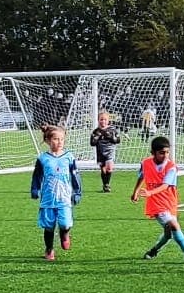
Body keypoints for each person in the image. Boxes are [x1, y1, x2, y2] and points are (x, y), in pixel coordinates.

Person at [131, 135, 184, 264]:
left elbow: (165, 186)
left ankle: (154, 250)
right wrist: (136, 192)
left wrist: (149, 192)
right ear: (153, 153)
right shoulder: (145, 163)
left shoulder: (171, 167)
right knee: (174, 225)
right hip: (156, 204)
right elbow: (141, 176)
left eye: (167, 152)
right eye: (161, 153)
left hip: (170, 202)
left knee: (169, 234)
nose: (165, 155)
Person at [31, 125, 80, 261]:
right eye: (55, 139)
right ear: (47, 140)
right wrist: (35, 189)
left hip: (64, 198)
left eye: (62, 139)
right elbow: (37, 176)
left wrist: (77, 192)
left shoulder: (69, 157)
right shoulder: (43, 158)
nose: (59, 142)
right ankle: (49, 249)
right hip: (48, 198)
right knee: (49, 226)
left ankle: (64, 234)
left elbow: (75, 175)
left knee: (65, 223)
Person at [90, 110, 121, 193]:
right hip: (100, 152)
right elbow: (92, 143)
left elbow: (118, 140)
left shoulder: (112, 130)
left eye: (105, 119)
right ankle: (105, 185)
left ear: (108, 121)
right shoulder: (95, 131)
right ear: (98, 120)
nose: (103, 121)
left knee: (109, 168)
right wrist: (97, 138)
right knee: (103, 169)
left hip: (110, 151)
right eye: (101, 119)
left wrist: (111, 137)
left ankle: (107, 184)